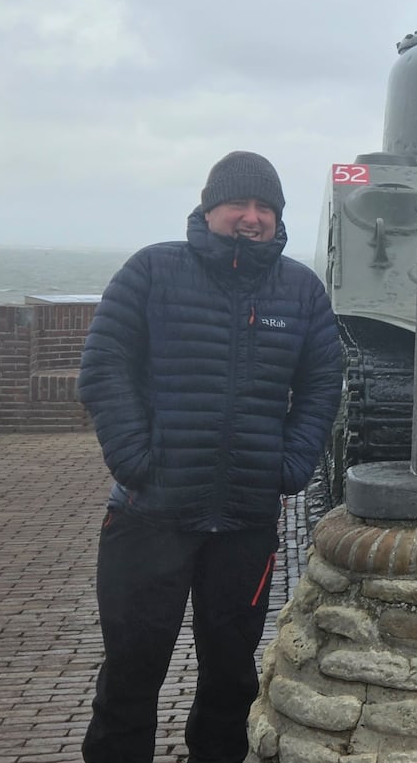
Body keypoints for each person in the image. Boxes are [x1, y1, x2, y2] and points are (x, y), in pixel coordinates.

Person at [78, 151, 342, 763]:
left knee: (231, 677)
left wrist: (291, 463)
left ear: (277, 219)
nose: (251, 218)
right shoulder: (152, 270)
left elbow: (323, 382)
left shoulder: (300, 291)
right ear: (209, 208)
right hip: (150, 518)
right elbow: (103, 368)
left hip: (246, 524)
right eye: (238, 205)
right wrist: (135, 460)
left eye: (265, 208)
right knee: (132, 673)